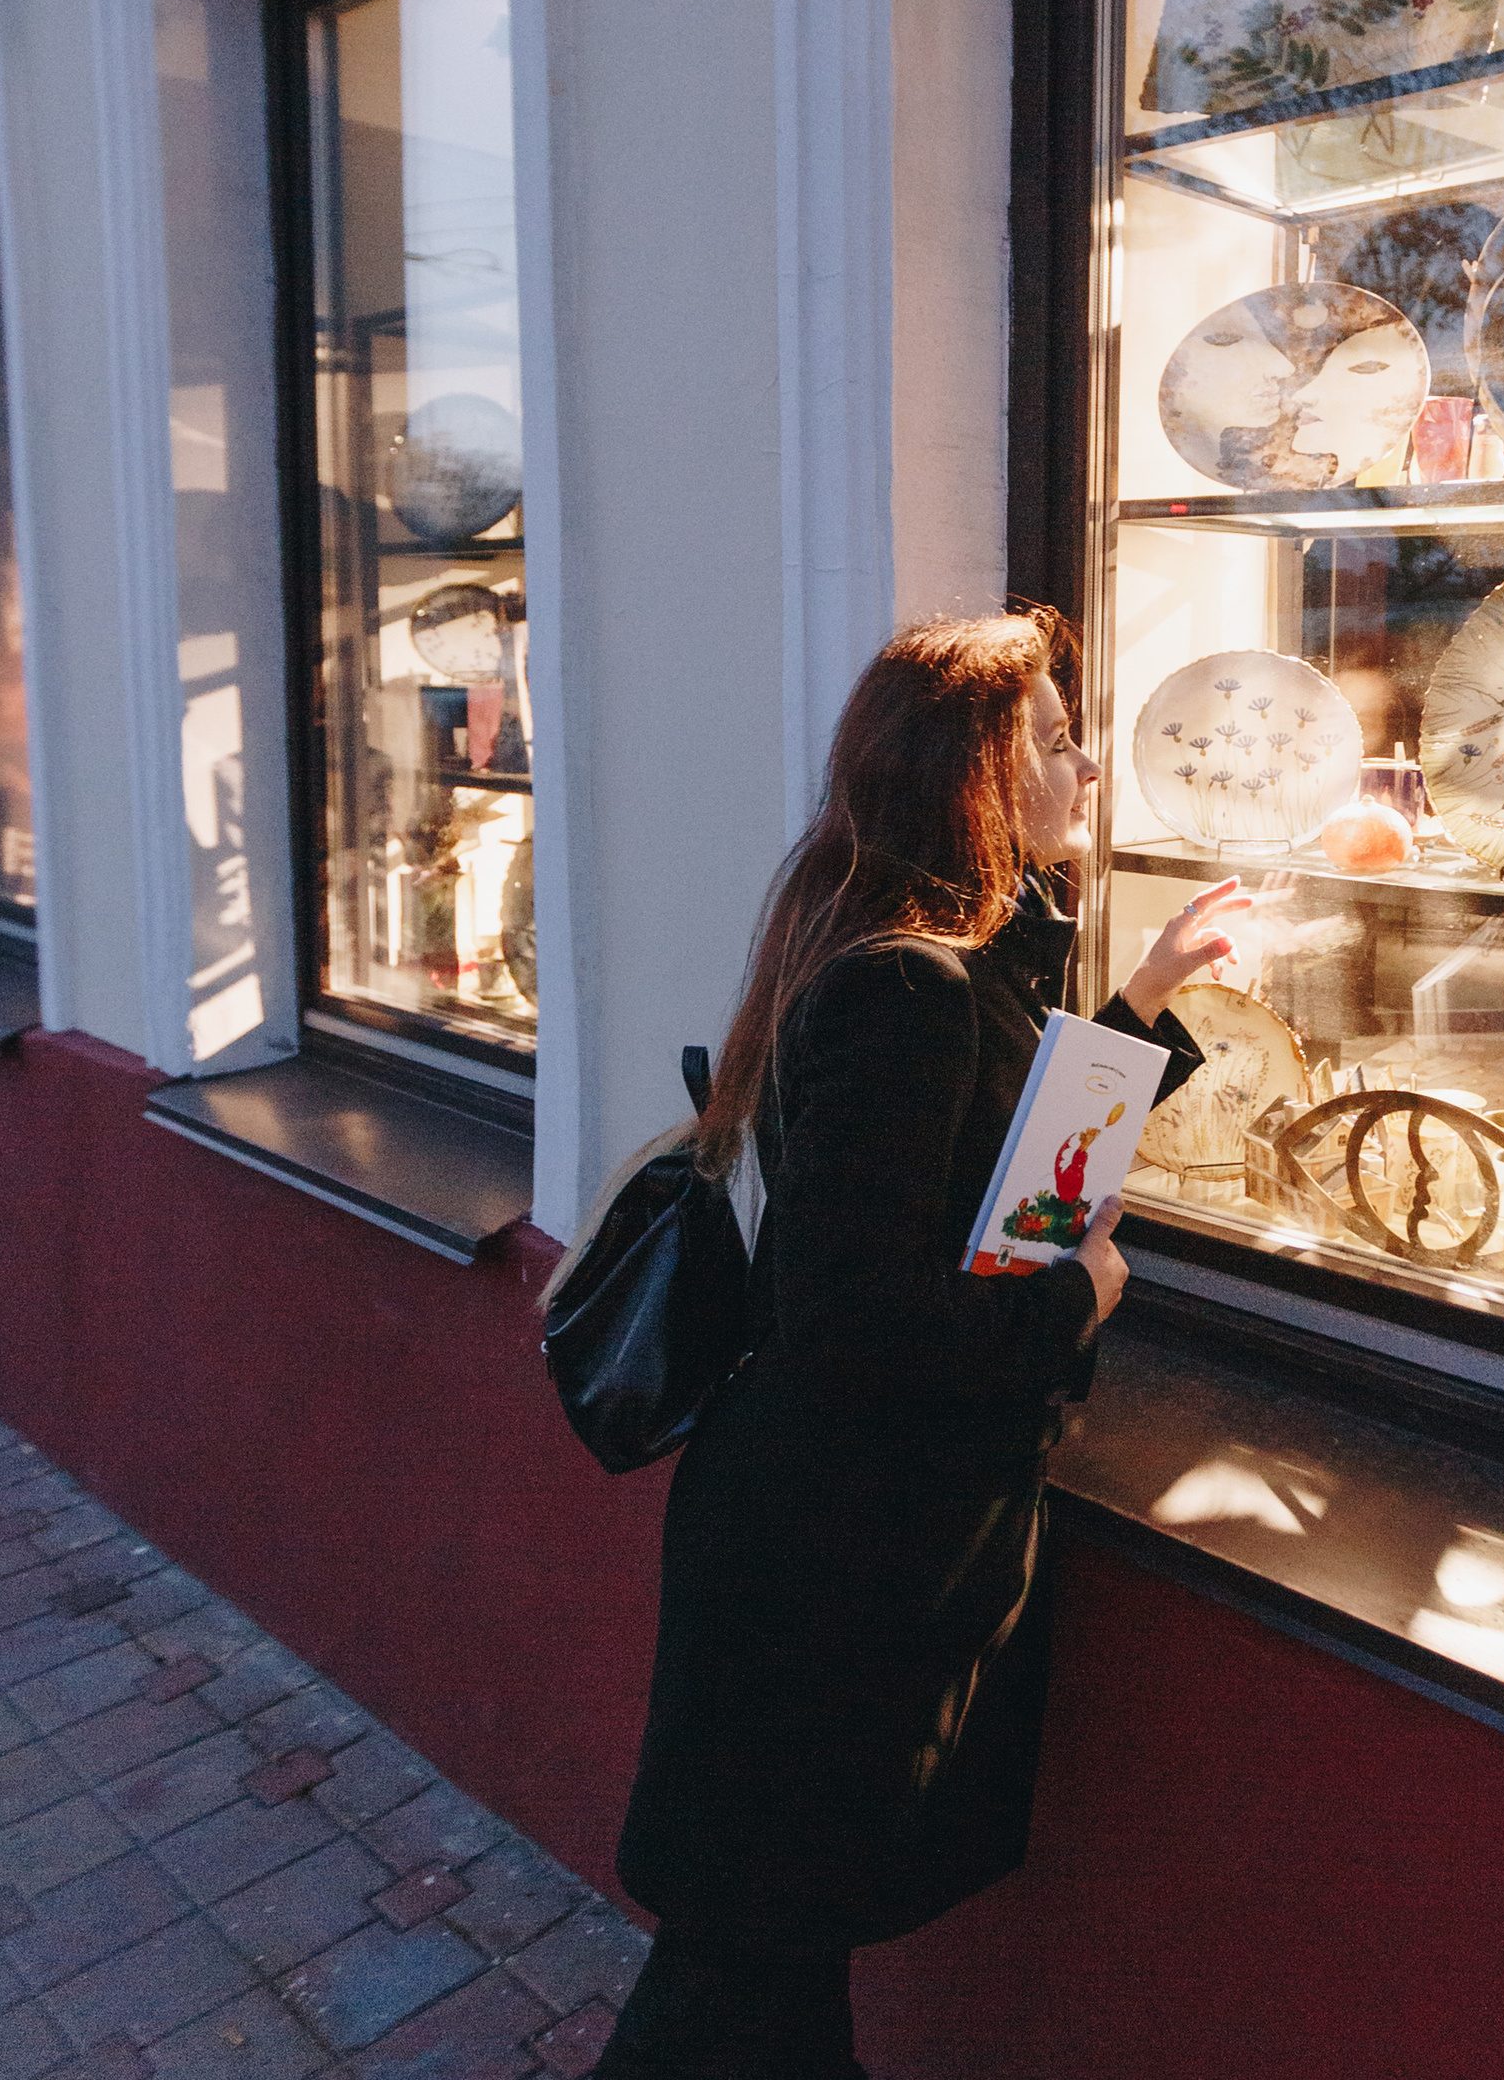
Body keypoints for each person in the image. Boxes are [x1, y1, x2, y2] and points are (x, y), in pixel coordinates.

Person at [587, 614, 1247, 2079]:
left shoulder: (906, 953)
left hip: (821, 1546)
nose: (1086, 769)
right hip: (831, 1568)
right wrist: (1082, 1300)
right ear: (979, 777)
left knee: (764, 1965)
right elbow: (865, 1319)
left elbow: (1002, 1186)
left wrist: (1141, 1003)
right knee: (735, 1978)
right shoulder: (903, 989)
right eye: (1059, 744)